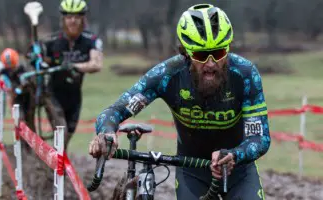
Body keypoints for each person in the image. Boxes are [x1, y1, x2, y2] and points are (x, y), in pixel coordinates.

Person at [89, 4, 270, 200]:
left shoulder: (245, 74)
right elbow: (114, 111)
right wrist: (106, 132)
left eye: (218, 53)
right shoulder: (167, 75)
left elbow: (260, 138)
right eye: (201, 55)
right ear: (185, 52)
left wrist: (235, 155)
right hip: (191, 171)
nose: (211, 64)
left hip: (238, 171)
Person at [27, 0, 103, 150]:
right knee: (61, 131)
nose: (72, 21)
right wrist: (36, 56)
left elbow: (96, 64)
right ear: (63, 19)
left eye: (76, 17)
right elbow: (35, 53)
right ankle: (54, 168)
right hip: (52, 94)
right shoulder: (52, 41)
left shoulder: (91, 41)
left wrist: (74, 66)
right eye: (69, 17)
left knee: (67, 135)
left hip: (74, 95)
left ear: (83, 19)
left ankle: (55, 167)